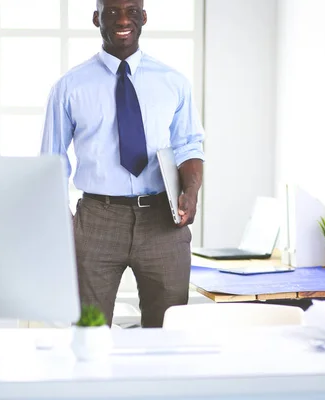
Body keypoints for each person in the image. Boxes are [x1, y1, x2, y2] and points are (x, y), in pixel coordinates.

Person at [40, 0, 204, 328]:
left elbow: (189, 145)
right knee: (89, 333)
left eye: (131, 10)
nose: (123, 19)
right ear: (96, 18)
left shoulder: (173, 83)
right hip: (97, 221)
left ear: (144, 17)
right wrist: (63, 220)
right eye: (112, 11)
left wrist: (192, 191)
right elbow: (52, 161)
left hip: (163, 221)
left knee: (167, 333)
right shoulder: (69, 88)